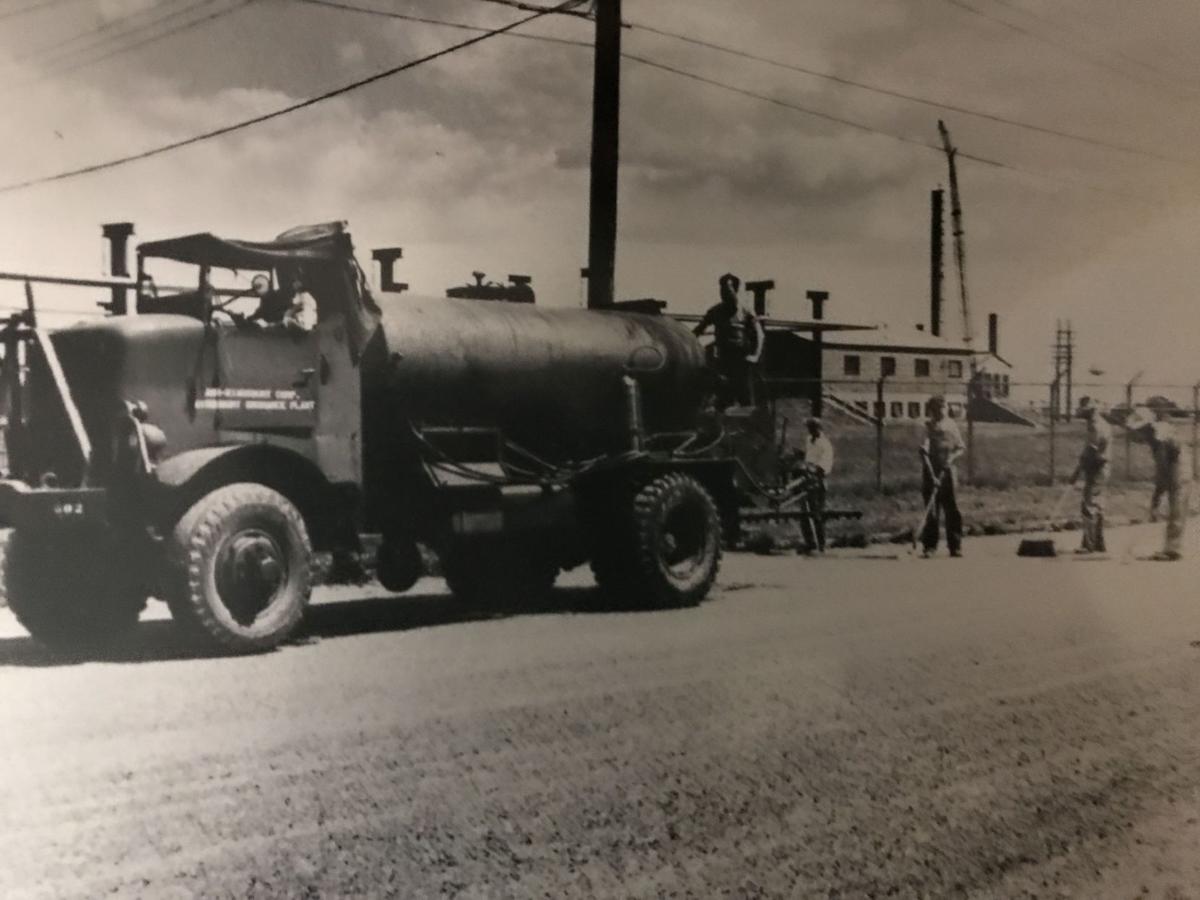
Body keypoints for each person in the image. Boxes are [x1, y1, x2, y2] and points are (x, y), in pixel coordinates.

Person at [693, 273, 765, 408]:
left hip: (742, 361)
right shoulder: (715, 311)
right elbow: (698, 330)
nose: (724, 293)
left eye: (728, 289)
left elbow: (759, 335)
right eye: (722, 290)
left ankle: (748, 427)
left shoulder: (746, 311)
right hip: (723, 360)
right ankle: (722, 427)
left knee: (745, 398)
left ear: (735, 290)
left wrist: (755, 356)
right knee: (723, 397)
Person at [1132, 415, 1190, 560]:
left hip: (1179, 470)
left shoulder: (1159, 438)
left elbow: (1162, 471)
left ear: (1147, 427)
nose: (1138, 434)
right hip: (1176, 466)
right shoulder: (1158, 432)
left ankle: (1172, 551)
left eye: (1139, 430)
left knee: (1176, 509)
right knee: (1175, 508)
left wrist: (1156, 498)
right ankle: (1172, 548)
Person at [918, 394, 965, 558]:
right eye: (937, 409)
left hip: (949, 471)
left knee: (952, 509)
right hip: (931, 471)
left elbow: (960, 447)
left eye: (944, 408)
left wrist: (951, 459)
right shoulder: (927, 426)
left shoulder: (951, 425)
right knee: (932, 510)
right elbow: (923, 450)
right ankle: (930, 546)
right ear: (931, 411)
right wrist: (932, 473)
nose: (941, 412)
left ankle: (955, 546)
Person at [1070, 400, 1112, 554]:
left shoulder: (1096, 426)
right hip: (1101, 467)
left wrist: (1077, 471)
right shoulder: (1102, 423)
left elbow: (1091, 451)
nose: (1080, 412)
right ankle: (1099, 543)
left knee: (1089, 505)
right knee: (1098, 505)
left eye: (1083, 409)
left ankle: (1089, 544)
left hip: (1097, 467)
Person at [798, 417, 834, 554]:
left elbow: (823, 467)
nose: (809, 430)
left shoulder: (825, 445)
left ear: (818, 428)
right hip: (805, 480)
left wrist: (810, 469)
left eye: (812, 428)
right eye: (808, 428)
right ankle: (809, 543)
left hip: (817, 482)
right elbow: (809, 457)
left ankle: (821, 544)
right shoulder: (809, 440)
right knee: (804, 514)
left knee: (817, 514)